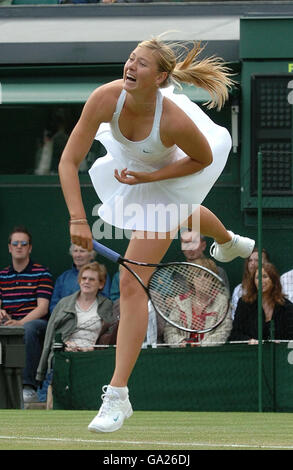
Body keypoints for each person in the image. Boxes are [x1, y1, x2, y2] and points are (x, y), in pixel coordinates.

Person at [58, 37, 255, 433]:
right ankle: (231, 242)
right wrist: (78, 219)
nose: (130, 66)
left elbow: (199, 160)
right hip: (136, 159)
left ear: (161, 76)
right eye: (130, 58)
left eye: (142, 64)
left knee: (132, 282)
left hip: (178, 165)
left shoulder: (175, 120)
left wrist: (151, 178)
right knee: (179, 212)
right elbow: (68, 160)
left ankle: (118, 395)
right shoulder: (104, 98)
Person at [36, 262, 115, 385]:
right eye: (84, 278)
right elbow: (50, 336)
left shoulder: (107, 306)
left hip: (94, 355)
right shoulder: (64, 303)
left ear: (101, 284)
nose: (86, 281)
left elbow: (111, 336)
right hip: (65, 353)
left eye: (91, 279)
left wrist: (94, 348)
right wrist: (63, 345)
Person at [0, 226, 53, 403]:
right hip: (8, 323)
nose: (19, 247)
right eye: (15, 243)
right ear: (9, 247)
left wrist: (20, 323)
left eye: (24, 243)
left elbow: (43, 308)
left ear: (30, 248)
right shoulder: (2, 276)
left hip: (35, 324)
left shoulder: (41, 273)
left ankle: (28, 387)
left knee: (27, 330)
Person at [163, 258, 232, 346]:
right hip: (182, 353)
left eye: (207, 276)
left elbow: (223, 332)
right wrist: (181, 342)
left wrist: (201, 345)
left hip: (211, 354)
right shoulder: (180, 301)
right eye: (198, 275)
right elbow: (170, 331)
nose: (202, 279)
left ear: (213, 280)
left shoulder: (223, 302)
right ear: (192, 279)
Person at [228, 262, 293, 343]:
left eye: (265, 277)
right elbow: (235, 334)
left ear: (273, 280)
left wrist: (280, 342)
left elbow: (290, 336)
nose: (261, 281)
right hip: (251, 352)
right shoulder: (244, 303)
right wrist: (249, 341)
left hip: (278, 353)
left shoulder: (286, 306)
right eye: (257, 277)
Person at [49, 242, 111, 313]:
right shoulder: (63, 278)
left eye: (82, 251)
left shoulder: (101, 275)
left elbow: (105, 301)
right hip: (65, 320)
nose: (78, 255)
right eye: (75, 251)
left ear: (91, 255)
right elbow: (54, 305)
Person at [231, 247, 270, 319]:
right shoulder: (239, 290)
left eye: (257, 260)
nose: (253, 263)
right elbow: (235, 317)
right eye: (250, 260)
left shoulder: (275, 286)